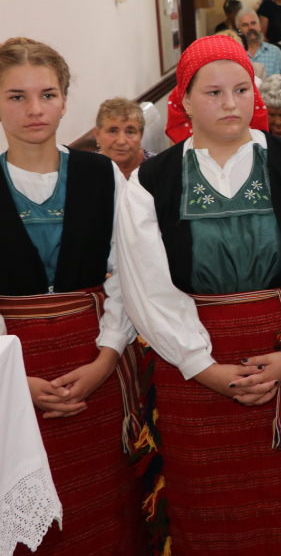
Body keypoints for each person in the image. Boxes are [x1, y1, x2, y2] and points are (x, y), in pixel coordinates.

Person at [119, 35, 281, 555]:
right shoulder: (152, 181)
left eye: (241, 89)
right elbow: (146, 284)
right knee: (209, 516)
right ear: (183, 101)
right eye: (213, 92)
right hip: (194, 369)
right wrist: (202, 364)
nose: (229, 104)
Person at [0, 38, 142, 556]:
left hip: (95, 363)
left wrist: (107, 357)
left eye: (47, 94)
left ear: (65, 100)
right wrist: (14, 380)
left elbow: (128, 276)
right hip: (14, 377)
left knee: (105, 511)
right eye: (16, 96)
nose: (34, 110)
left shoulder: (103, 175)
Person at [94, 97, 154, 179]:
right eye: (112, 131)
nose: (121, 141)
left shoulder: (159, 168)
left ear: (141, 135)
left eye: (130, 132)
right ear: (97, 134)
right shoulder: (85, 169)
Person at [236, 7, 281, 77]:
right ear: (239, 30)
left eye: (253, 23)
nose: (251, 28)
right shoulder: (235, 54)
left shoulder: (275, 52)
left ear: (260, 26)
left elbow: (280, 82)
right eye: (245, 25)